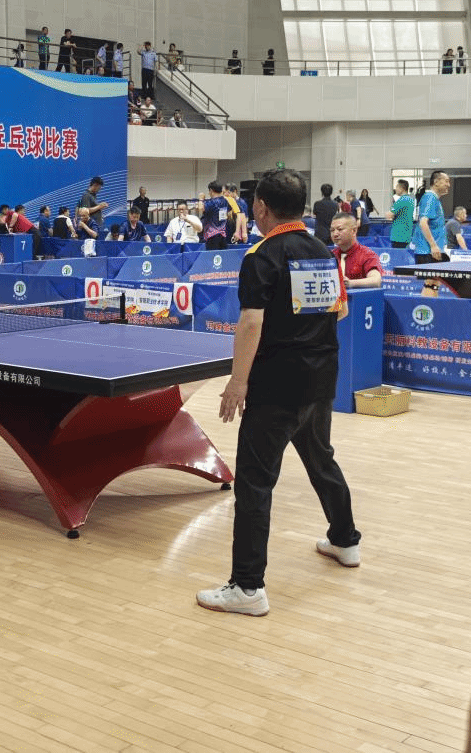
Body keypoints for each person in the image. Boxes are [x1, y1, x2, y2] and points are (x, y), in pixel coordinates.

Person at [196, 168, 359, 617]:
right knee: (321, 459)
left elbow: (252, 321)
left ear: (261, 207)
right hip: (320, 381)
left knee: (254, 483)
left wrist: (238, 381)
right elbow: (340, 311)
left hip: (277, 388)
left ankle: (247, 587)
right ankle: (345, 540)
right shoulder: (323, 251)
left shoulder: (262, 255)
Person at [330, 214, 382, 289]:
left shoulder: (367, 255)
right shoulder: (331, 255)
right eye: (332, 230)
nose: (335, 234)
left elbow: (376, 281)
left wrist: (350, 283)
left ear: (354, 231)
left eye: (340, 229)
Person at [413, 171, 450, 264]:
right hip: (428, 252)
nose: (448, 185)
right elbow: (423, 223)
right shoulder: (430, 197)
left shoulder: (435, 199)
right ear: (436, 182)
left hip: (434, 251)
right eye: (446, 181)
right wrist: (433, 246)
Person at [200, 180, 239, 250]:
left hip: (211, 235)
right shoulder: (226, 201)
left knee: (212, 256)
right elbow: (230, 211)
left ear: (211, 190)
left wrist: (201, 199)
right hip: (223, 234)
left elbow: (201, 208)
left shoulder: (211, 202)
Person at [385, 179, 415, 249]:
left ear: (402, 188)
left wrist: (387, 213)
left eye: (397, 187)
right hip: (406, 235)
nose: (395, 189)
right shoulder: (411, 200)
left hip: (398, 235)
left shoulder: (401, 200)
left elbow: (389, 215)